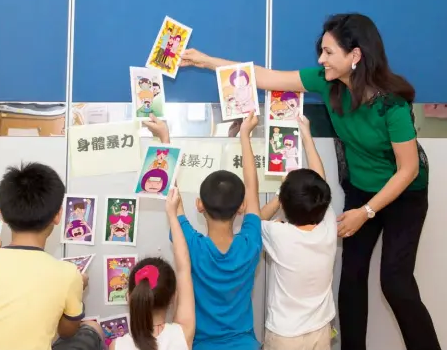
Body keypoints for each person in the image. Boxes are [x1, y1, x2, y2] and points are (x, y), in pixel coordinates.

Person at [180, 13, 439, 350]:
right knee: (351, 280)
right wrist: (205, 61)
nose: (321, 59)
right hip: (361, 188)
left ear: (355, 56)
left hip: (404, 194)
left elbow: (408, 171)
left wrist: (367, 212)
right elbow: (262, 76)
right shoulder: (325, 81)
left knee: (396, 283)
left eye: (329, 52)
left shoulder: (392, 105)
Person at [0, 162, 104, 350]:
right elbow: (67, 331)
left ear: (3, 216)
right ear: (58, 216)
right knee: (91, 329)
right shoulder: (67, 274)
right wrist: (77, 291)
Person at [147, 112, 262, 349]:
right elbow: (252, 186)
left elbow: (173, 197)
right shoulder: (251, 242)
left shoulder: (189, 244)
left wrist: (164, 138)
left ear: (199, 205)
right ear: (242, 207)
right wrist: (244, 136)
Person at [259, 115, 335, 350]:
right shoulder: (328, 227)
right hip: (320, 330)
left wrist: (278, 198)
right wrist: (306, 135)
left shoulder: (279, 235)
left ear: (285, 203)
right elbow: (321, 179)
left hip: (285, 335)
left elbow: (255, 219)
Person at [109, 184, 195, 350]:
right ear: (173, 298)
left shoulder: (117, 346)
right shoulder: (182, 335)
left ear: (129, 297)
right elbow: (184, 267)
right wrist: (172, 214)